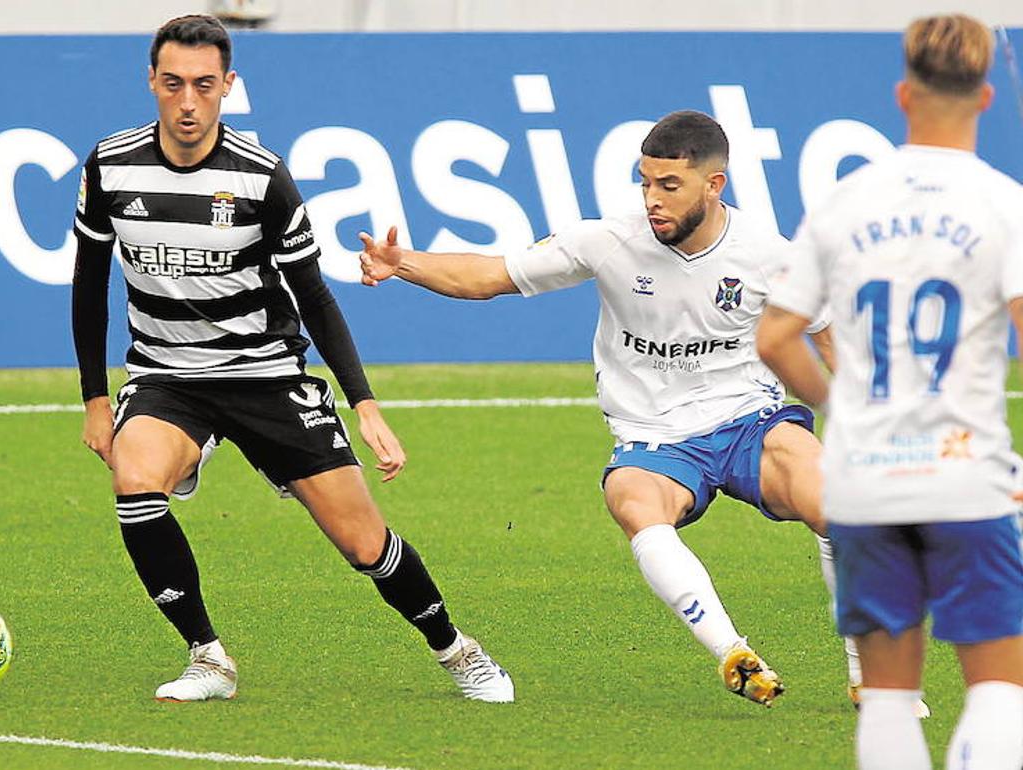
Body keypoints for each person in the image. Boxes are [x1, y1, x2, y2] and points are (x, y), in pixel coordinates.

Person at [71, 14, 513, 704]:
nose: (188, 103)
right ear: (151, 82)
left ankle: (456, 649)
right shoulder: (109, 164)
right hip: (167, 377)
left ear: (229, 87)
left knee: (363, 543)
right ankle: (208, 659)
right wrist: (96, 401)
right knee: (135, 479)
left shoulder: (260, 176)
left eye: (205, 86)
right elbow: (87, 282)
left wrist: (365, 405)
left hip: (266, 376)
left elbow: (314, 296)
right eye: (174, 84)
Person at [360, 110, 851, 708]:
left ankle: (867, 675)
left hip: (749, 421)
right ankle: (733, 653)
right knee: (632, 501)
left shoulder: (771, 255)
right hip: (654, 437)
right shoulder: (609, 239)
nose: (653, 199)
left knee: (835, 500)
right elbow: (491, 276)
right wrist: (402, 262)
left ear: (714, 184)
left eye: (669, 186)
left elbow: (827, 334)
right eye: (645, 183)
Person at [757, 13, 1023, 768]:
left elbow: (777, 336)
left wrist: (846, 410)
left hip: (868, 482)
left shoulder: (845, 201)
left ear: (903, 95)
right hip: (967, 476)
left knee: (888, 698)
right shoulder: (1005, 202)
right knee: (1000, 692)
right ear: (987, 98)